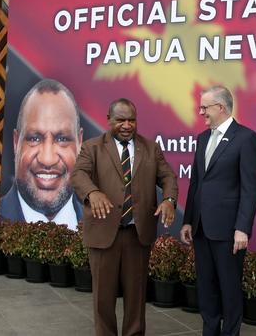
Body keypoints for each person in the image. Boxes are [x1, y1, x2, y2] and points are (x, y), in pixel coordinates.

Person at [70, 98, 178, 336]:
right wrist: (93, 192)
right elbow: (78, 175)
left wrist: (169, 200)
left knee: (136, 297)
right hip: (103, 233)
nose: (127, 125)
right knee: (103, 299)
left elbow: (168, 177)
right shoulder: (93, 147)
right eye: (121, 120)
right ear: (109, 120)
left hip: (137, 235)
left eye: (132, 120)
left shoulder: (151, 148)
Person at [180, 86, 256, 336]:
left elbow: (251, 189)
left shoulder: (246, 138)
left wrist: (242, 228)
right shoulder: (203, 138)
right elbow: (196, 183)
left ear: (221, 108)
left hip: (228, 231)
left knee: (229, 289)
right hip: (202, 228)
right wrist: (188, 221)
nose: (201, 111)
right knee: (206, 288)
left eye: (205, 107)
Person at [0, 79, 83, 230]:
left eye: (62, 139)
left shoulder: (106, 231)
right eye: (34, 138)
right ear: (16, 143)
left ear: (80, 143)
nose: (47, 159)